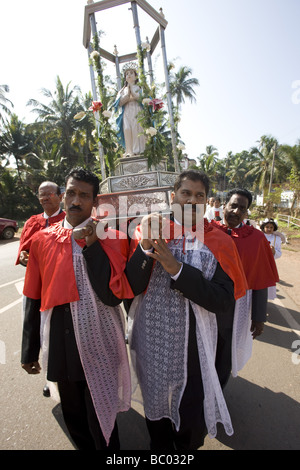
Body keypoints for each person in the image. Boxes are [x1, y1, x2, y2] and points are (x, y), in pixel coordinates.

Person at [125, 170, 248, 450]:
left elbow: (223, 300)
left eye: (199, 195)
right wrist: (145, 247)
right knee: (155, 412)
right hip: (152, 342)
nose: (192, 200)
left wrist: (177, 269)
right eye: (185, 193)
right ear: (173, 197)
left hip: (196, 348)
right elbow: (131, 287)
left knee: (191, 418)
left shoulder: (219, 241)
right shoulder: (150, 229)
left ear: (206, 201)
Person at [21, 167, 133, 450]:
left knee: (102, 417)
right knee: (74, 417)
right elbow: (33, 296)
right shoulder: (41, 241)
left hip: (101, 338)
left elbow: (112, 295)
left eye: (84, 195)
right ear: (63, 195)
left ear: (95, 202)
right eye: (71, 192)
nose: (76, 200)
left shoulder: (114, 237)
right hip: (60, 338)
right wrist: (29, 350)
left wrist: (91, 243)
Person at [211, 188, 279, 339]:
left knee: (229, 354)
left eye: (242, 209)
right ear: (224, 206)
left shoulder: (257, 239)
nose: (236, 212)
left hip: (239, 306)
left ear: (246, 213)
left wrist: (259, 316)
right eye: (233, 206)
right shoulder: (207, 231)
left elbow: (260, 278)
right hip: (206, 301)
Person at [16, 181, 65, 266]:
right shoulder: (31, 223)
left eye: (50, 194)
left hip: (61, 275)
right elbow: (25, 250)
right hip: (36, 276)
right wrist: (23, 257)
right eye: (42, 195)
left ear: (60, 197)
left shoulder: (70, 221)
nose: (45, 198)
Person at [114, 63, 146, 156]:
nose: (129, 75)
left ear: (136, 76)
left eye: (131, 73)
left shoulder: (139, 87)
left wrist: (131, 87)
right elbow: (120, 102)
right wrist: (127, 91)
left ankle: (137, 150)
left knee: (136, 130)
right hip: (127, 111)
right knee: (127, 129)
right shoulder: (122, 90)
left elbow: (140, 98)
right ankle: (129, 151)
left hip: (137, 110)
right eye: (127, 74)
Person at [260, 217, 282, 299]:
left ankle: (266, 298)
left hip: (269, 264)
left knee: (268, 282)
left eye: (271, 227)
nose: (269, 229)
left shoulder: (277, 238)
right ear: (263, 227)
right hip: (259, 263)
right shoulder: (259, 236)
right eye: (267, 227)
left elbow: (279, 253)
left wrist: (274, 252)